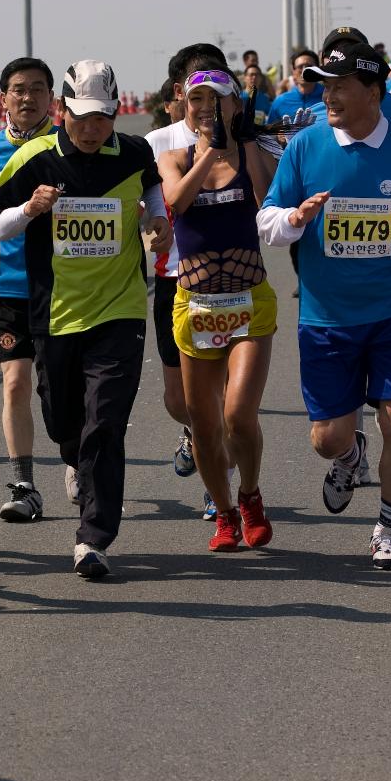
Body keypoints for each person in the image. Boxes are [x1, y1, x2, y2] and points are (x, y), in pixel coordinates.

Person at [257, 43, 391, 569]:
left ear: (373, 93)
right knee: (326, 440)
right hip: (326, 319)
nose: (326, 94)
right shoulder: (305, 147)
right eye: (323, 85)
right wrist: (295, 220)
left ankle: (388, 530)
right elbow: (267, 220)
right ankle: (351, 456)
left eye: (339, 85)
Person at [0, 60, 172, 579]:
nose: (92, 129)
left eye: (103, 118)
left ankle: (93, 538)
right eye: (82, 118)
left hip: (119, 309)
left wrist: (157, 217)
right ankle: (75, 463)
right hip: (55, 314)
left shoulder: (133, 151)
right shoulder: (35, 157)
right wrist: (29, 209)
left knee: (106, 423)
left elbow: (153, 186)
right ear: (61, 110)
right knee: (63, 423)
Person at [158, 67, 279, 552]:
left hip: (249, 301)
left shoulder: (255, 152)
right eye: (196, 102)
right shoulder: (174, 157)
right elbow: (177, 203)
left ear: (235, 106)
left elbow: (267, 203)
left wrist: (246, 143)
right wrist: (209, 149)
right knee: (202, 422)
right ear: (185, 108)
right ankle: (224, 512)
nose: (206, 109)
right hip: (197, 305)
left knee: (238, 415)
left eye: (217, 101)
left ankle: (249, 495)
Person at [144, 43, 226, 522]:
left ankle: (220, 489)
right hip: (175, 280)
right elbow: (144, 201)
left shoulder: (242, 139)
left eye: (219, 86)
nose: (208, 99)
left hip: (230, 281)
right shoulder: (157, 143)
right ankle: (195, 432)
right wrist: (150, 223)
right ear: (182, 92)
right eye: (199, 88)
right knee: (181, 401)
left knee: (224, 398)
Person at [0, 57, 57, 522]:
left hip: (63, 287)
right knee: (15, 382)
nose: (28, 98)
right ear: (3, 98)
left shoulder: (69, 147)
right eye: (18, 90)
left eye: (37, 89)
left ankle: (72, 460)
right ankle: (24, 483)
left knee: (60, 391)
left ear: (53, 99)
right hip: (5, 288)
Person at [266, 50, 323, 123]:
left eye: (309, 66)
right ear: (293, 71)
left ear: (317, 69)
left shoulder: (327, 97)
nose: (304, 70)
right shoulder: (281, 101)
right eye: (300, 67)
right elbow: (269, 131)